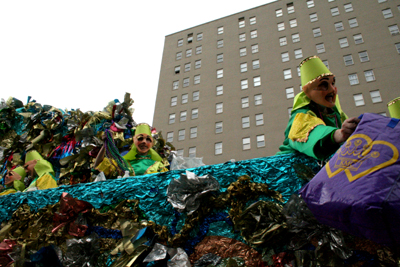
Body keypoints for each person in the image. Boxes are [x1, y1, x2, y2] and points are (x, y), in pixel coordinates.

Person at [277, 56, 360, 160]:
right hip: (291, 169)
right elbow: (308, 134)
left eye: (333, 83)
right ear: (308, 92)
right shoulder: (301, 115)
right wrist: (337, 135)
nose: (332, 90)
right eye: (323, 85)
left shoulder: (337, 115)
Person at [94, 123, 168, 177]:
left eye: (148, 139)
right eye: (140, 138)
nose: (144, 142)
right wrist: (105, 144)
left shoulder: (159, 165)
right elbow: (98, 166)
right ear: (134, 141)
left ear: (152, 143)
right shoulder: (123, 163)